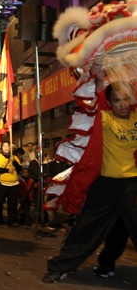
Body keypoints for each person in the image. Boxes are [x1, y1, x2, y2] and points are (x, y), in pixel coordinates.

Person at [43, 81, 137, 283]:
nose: (122, 104)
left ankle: (106, 264)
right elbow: (92, 102)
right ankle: (59, 268)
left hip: (133, 185)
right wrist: (99, 79)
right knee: (86, 228)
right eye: (117, 100)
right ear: (109, 103)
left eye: (125, 99)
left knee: (123, 229)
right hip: (105, 185)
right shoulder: (103, 118)